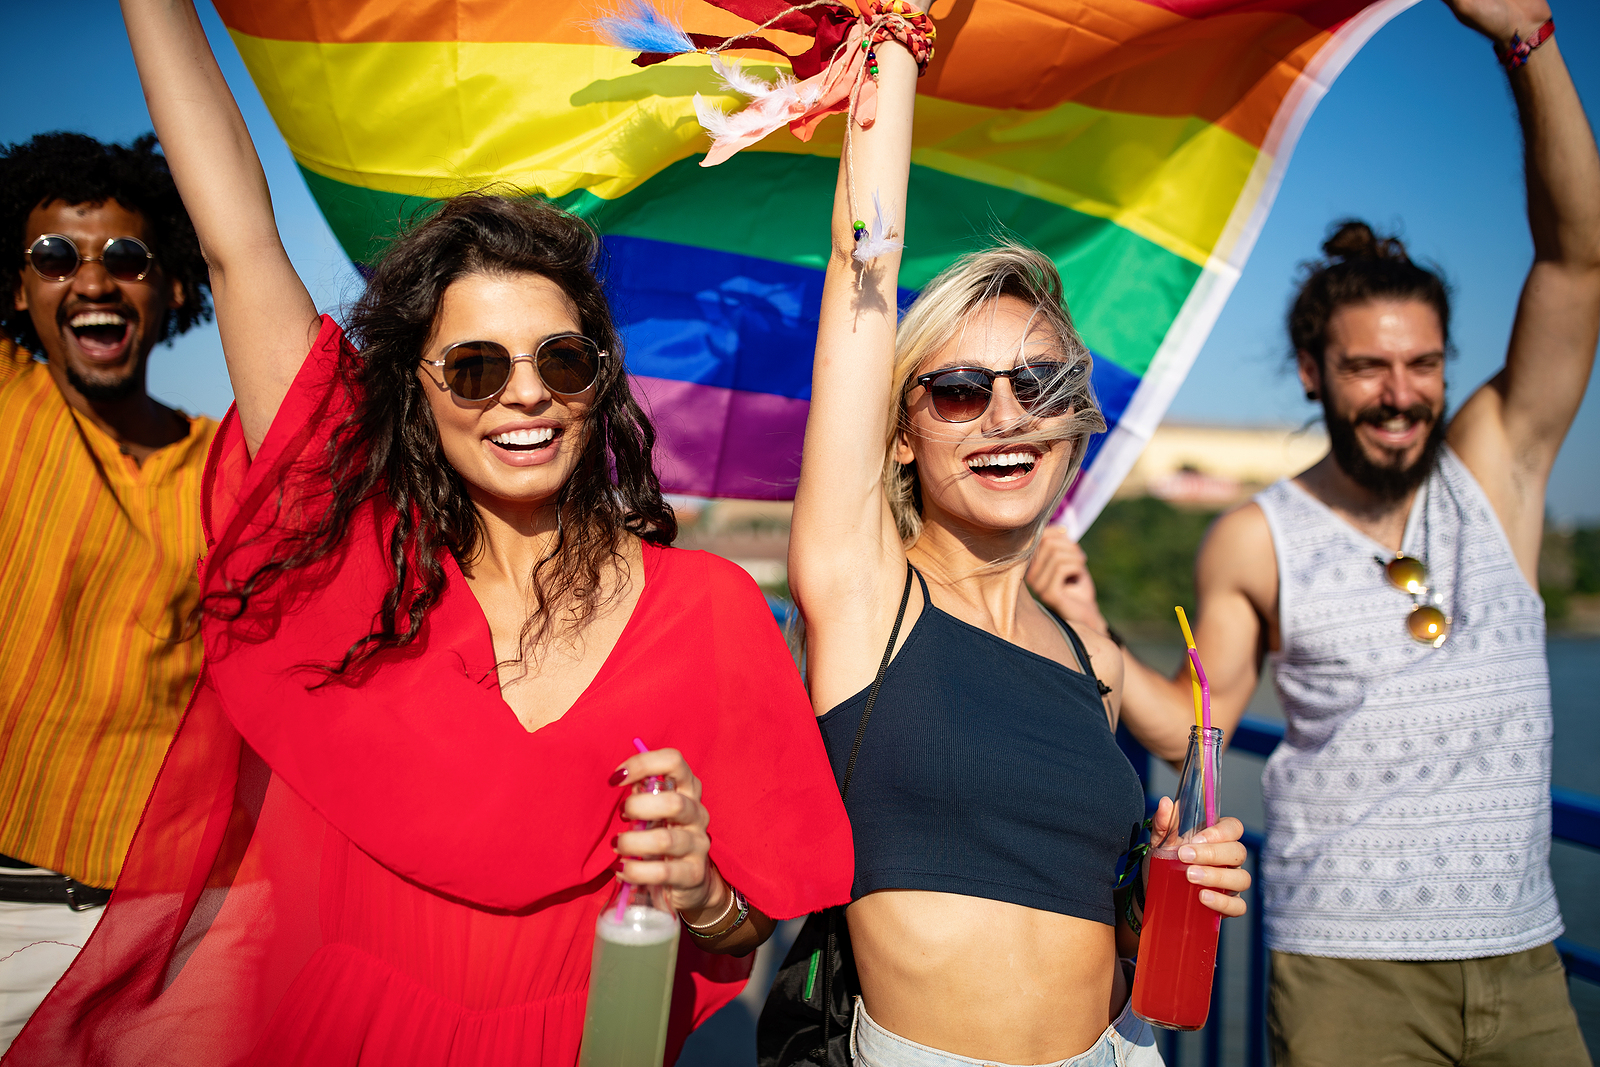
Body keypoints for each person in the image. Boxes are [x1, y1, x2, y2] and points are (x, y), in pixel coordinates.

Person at [4, 1, 853, 1063]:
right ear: (419, 391)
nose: (524, 396)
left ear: (599, 383)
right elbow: (237, 244)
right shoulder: (360, 568)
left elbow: (750, 921)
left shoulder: (712, 610)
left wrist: (704, 889)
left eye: (560, 359)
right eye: (476, 367)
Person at [1030, 1, 1599, 1063]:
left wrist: (1531, 43)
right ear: (1313, 373)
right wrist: (1092, 637)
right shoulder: (1255, 536)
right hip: (1344, 972)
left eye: (1422, 364)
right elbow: (1191, 728)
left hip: (1525, 960)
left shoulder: (1497, 466)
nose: (1399, 393)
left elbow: (1577, 261)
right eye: (1366, 366)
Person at [782, 15, 1252, 1067]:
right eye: (956, 390)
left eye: (1038, 384)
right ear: (898, 437)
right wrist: (895, 42)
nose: (1004, 415)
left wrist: (1169, 881)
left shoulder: (1084, 655)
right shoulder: (865, 594)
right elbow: (864, 264)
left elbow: (1081, 919)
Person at [0, 131, 218, 1051]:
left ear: (173, 288)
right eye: (55, 256)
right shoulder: (12, 404)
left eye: (127, 257)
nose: (92, 280)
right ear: (17, 291)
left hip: (170, 931)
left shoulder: (228, 464)